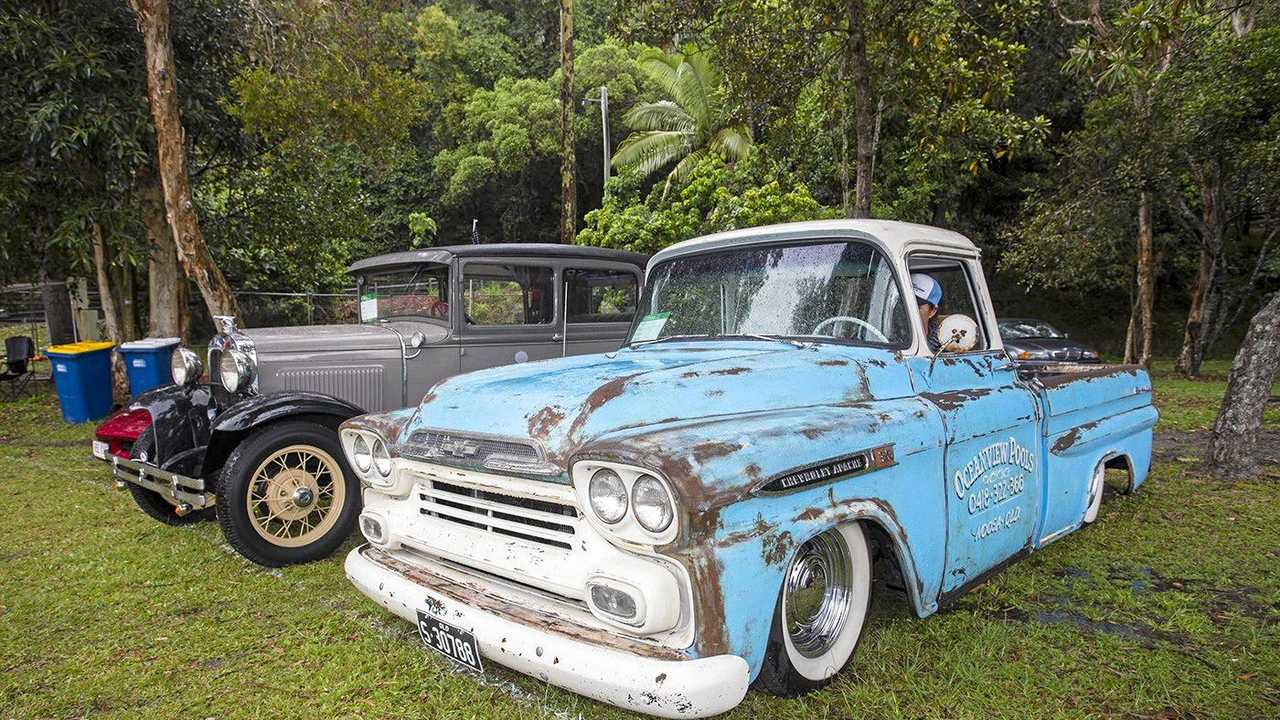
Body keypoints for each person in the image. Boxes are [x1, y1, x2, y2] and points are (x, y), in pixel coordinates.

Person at [911, 273, 943, 352]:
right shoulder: (886, 334)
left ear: (932, 311)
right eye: (902, 303)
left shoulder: (942, 346)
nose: (909, 310)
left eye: (917, 306)